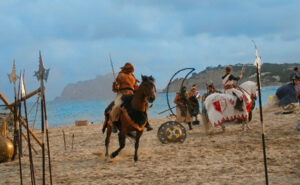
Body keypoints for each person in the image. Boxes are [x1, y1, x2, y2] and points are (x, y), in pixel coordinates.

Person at [110, 62, 153, 132]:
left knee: (144, 105)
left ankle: (146, 122)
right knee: (116, 106)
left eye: (132, 69)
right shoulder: (120, 75)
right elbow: (115, 89)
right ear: (126, 68)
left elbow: (135, 87)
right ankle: (114, 123)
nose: (131, 70)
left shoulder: (132, 76)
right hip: (122, 94)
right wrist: (116, 86)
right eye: (130, 68)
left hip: (132, 94)